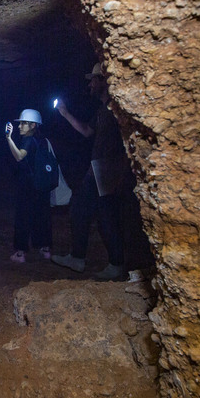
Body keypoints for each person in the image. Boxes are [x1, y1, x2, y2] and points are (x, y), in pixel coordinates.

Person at [52, 62, 150, 280]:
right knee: (85, 209)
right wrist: (65, 113)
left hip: (109, 167)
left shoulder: (117, 108)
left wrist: (122, 167)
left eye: (93, 80)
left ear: (103, 80)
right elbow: (87, 132)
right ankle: (82, 259)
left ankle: (113, 263)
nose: (90, 84)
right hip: (99, 166)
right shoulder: (102, 110)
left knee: (105, 214)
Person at [5, 109, 53, 263]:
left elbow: (19, 156)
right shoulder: (43, 139)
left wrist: (8, 138)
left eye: (24, 123)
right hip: (42, 184)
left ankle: (20, 253)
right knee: (41, 215)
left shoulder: (28, 139)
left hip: (28, 184)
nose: (20, 126)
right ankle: (45, 249)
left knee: (23, 216)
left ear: (33, 125)